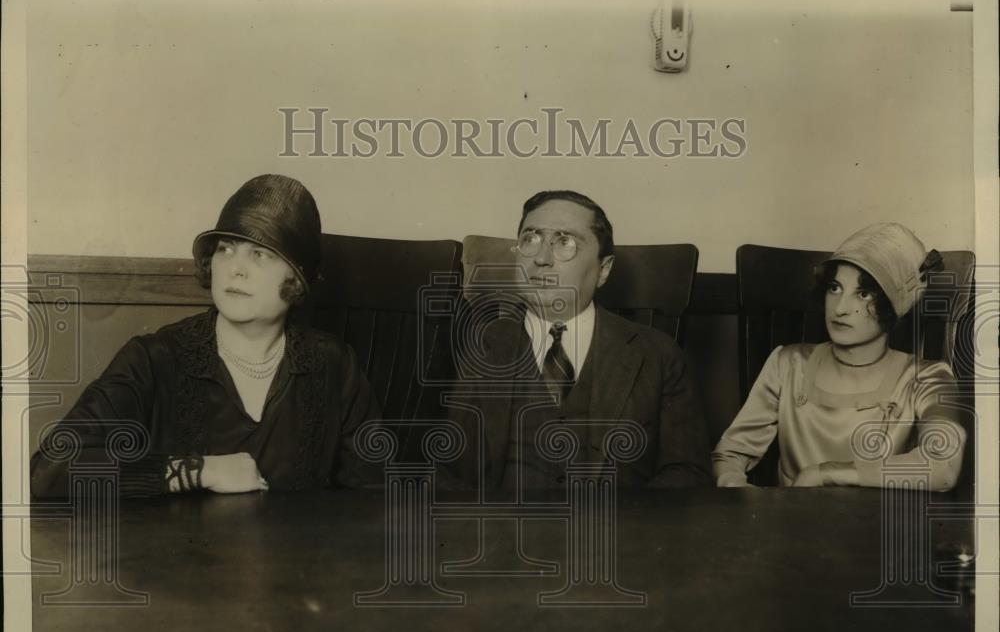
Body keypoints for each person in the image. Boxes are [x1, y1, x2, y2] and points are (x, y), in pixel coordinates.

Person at [31, 174, 381, 498]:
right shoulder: (154, 359)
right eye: (226, 249)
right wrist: (198, 471)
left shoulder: (334, 364)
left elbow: (373, 489)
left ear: (296, 278)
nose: (235, 269)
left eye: (259, 254)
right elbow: (49, 470)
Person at [448, 190, 712, 489]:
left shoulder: (659, 355)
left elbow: (687, 472)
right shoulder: (479, 346)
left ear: (604, 270)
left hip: (619, 530)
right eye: (530, 239)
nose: (542, 259)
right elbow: (448, 470)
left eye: (565, 242)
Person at [712, 222, 966, 490]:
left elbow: (943, 465)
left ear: (895, 305)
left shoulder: (926, 377)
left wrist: (828, 473)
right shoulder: (788, 363)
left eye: (863, 293)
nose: (841, 308)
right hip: (790, 525)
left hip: (878, 527)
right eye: (835, 288)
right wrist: (736, 487)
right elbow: (729, 454)